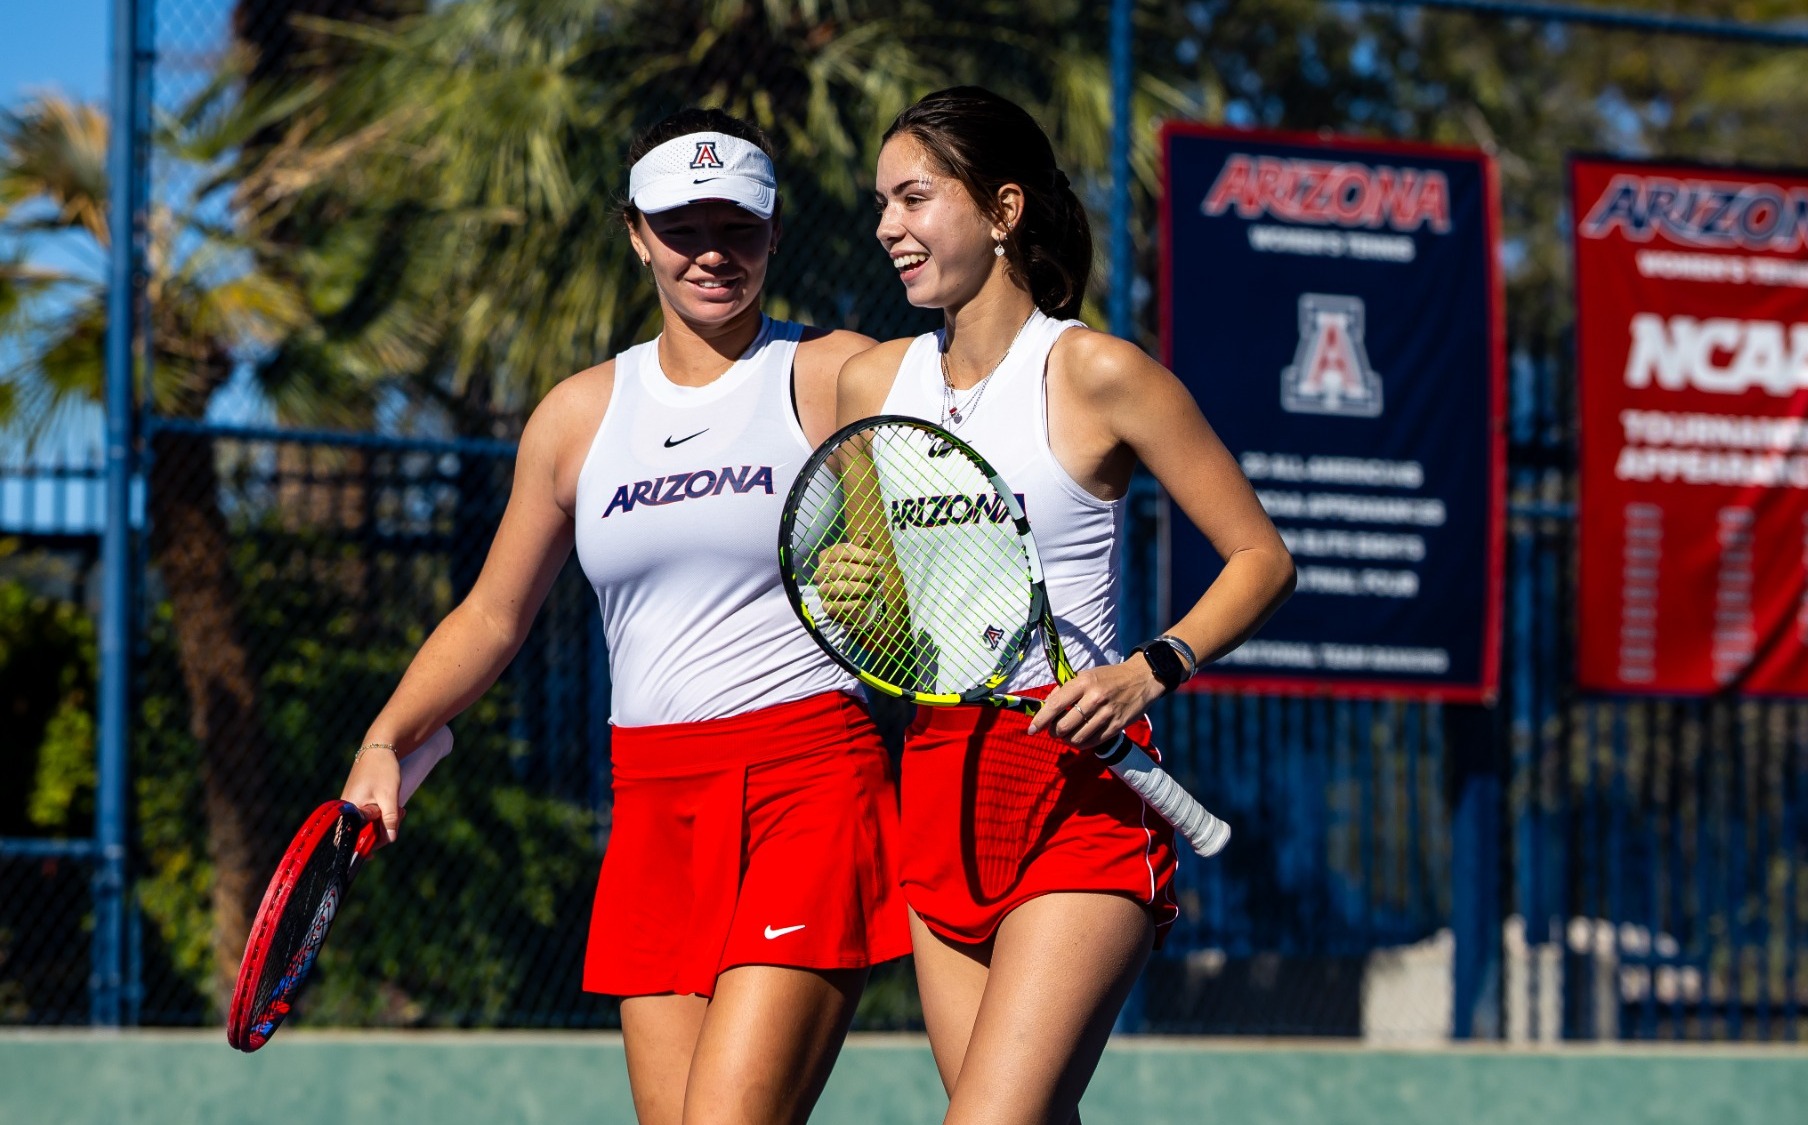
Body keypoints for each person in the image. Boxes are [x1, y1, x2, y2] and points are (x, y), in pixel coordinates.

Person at [339, 108, 908, 1125]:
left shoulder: (836, 374)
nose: (711, 253)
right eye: (682, 227)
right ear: (636, 234)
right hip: (652, 804)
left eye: (736, 226)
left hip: (807, 783)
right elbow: (490, 616)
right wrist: (388, 736)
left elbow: (942, 561)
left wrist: (888, 584)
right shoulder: (575, 416)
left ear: (775, 232)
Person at [834, 87, 1295, 1122]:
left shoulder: (1095, 370)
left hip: (1078, 795)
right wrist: (855, 588)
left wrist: (1146, 670)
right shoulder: (867, 385)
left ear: (1001, 211)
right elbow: (883, 618)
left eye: (912, 199)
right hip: (938, 786)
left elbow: (1259, 559)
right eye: (879, 206)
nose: (886, 230)